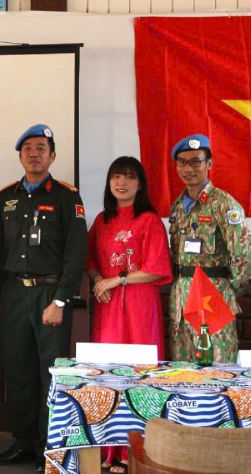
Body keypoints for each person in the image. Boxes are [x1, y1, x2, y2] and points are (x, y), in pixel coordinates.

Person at [0, 124, 88, 468]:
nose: (34, 153)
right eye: (28, 148)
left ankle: (49, 444)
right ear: (20, 156)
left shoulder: (65, 196)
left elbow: (77, 253)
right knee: (17, 370)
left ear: (52, 156)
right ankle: (23, 441)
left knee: (50, 372)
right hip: (15, 294)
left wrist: (61, 300)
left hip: (49, 294)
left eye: (41, 148)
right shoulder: (7, 198)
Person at [86, 156, 171, 473]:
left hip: (139, 304)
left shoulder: (149, 220)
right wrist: (98, 281)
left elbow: (156, 269)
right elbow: (90, 260)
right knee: (110, 374)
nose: (121, 183)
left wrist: (117, 279)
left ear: (140, 183)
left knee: (140, 375)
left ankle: (139, 450)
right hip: (108, 307)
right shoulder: (102, 220)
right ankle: (111, 451)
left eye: (129, 177)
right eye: (115, 177)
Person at [168, 134, 251, 363]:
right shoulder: (177, 207)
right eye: (182, 162)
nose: (189, 168)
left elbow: (243, 256)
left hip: (212, 297)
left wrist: (225, 289)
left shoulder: (223, 204)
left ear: (209, 164)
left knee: (216, 365)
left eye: (196, 161)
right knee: (182, 367)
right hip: (181, 299)